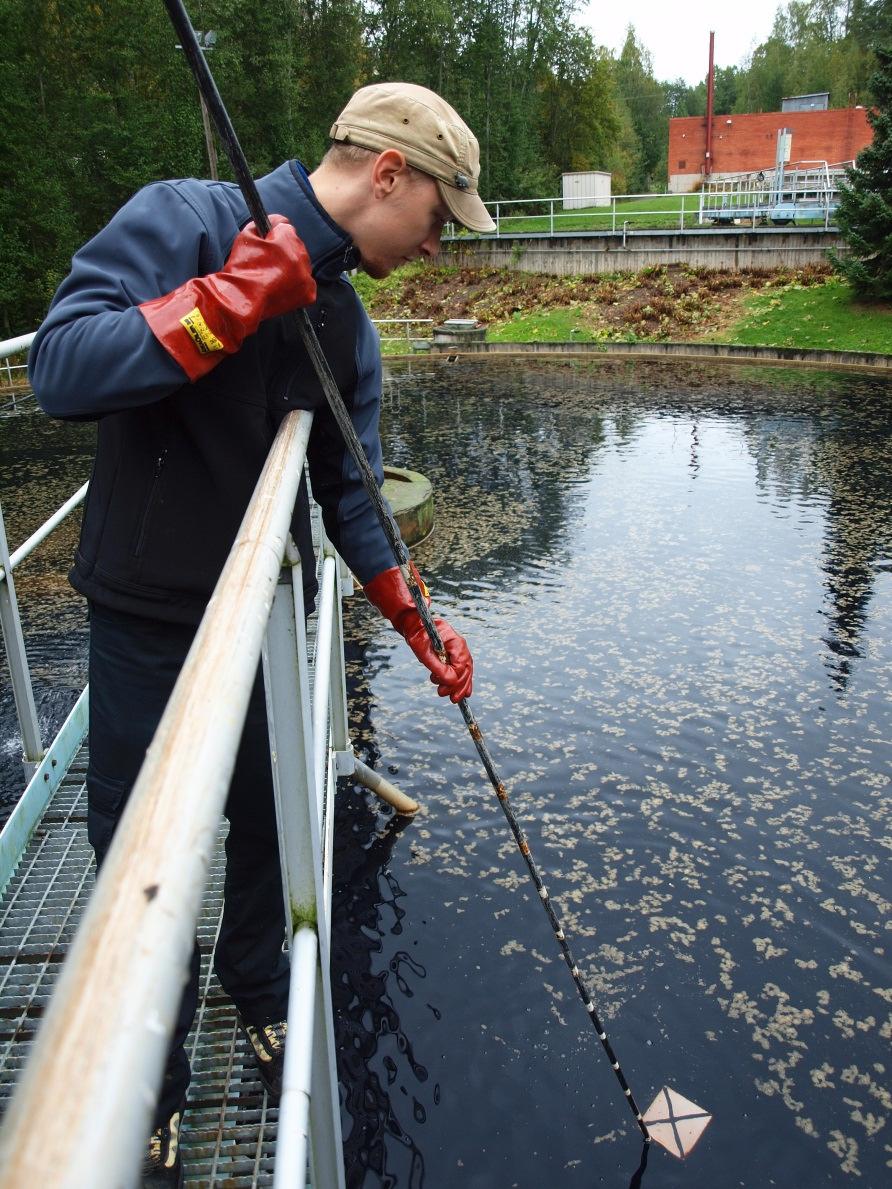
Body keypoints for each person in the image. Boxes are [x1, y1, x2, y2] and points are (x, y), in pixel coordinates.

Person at [29, 81, 494, 1186]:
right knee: (139, 863)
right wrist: (223, 304)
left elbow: (352, 489)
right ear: (389, 173)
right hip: (148, 616)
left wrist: (411, 612)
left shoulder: (343, 318)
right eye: (438, 219)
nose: (436, 247)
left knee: (265, 829)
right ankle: (151, 1086)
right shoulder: (187, 221)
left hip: (268, 617)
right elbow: (60, 368)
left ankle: (256, 989)